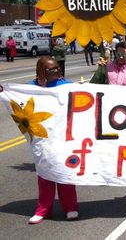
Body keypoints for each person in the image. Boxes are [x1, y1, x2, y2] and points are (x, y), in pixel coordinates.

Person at [21, 57, 78, 223]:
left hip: (64, 137)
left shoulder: (66, 85)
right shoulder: (30, 88)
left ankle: (71, 207)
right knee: (45, 175)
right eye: (51, 69)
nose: (56, 71)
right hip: (43, 139)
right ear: (41, 71)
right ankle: (43, 210)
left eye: (57, 68)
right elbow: (16, 99)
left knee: (65, 172)